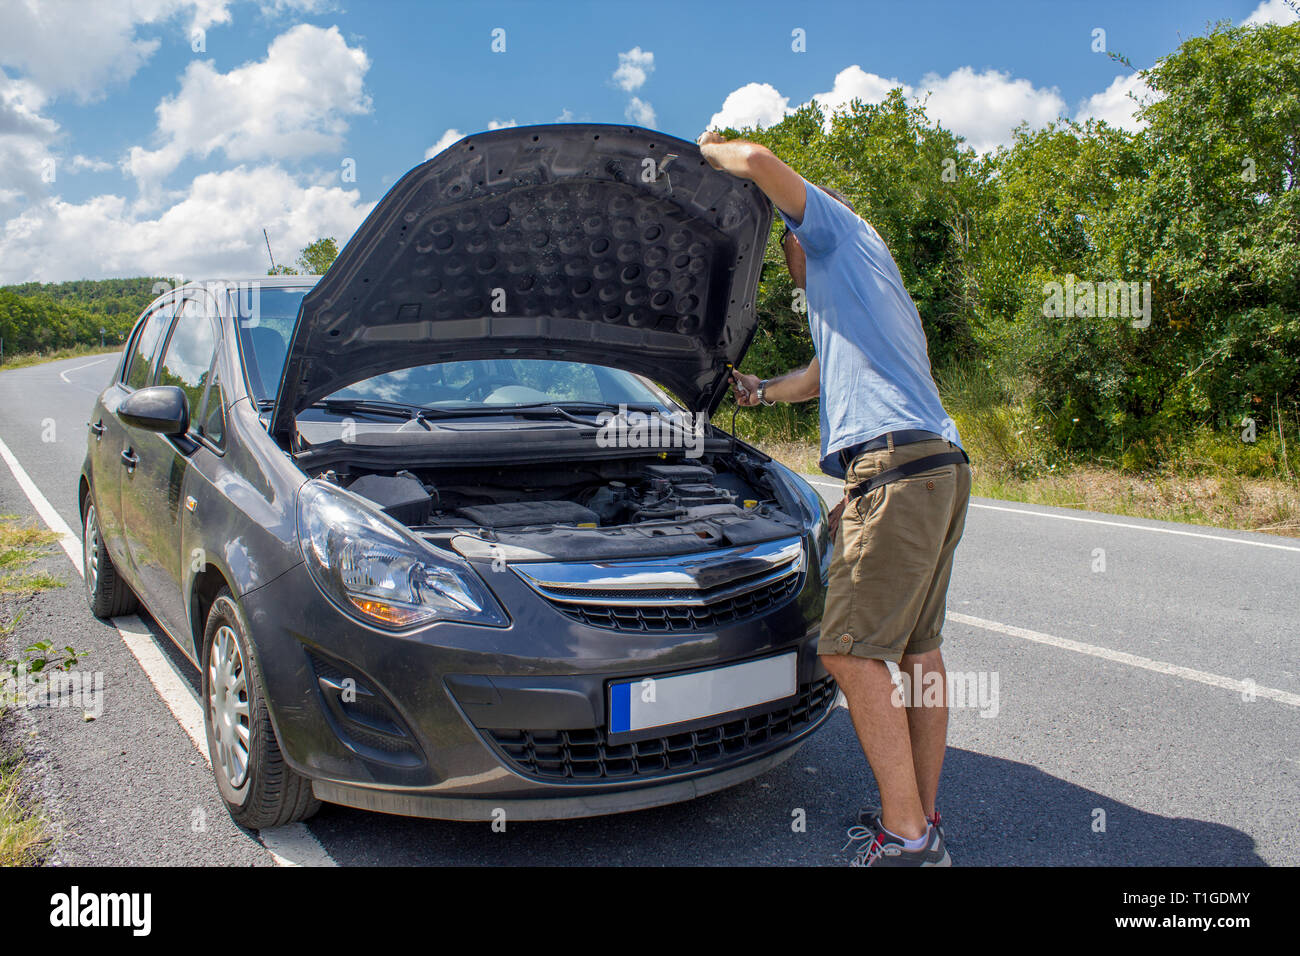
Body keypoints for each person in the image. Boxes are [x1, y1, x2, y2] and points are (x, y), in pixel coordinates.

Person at [698, 130, 971, 867]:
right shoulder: (859, 290)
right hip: (934, 465)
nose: (782, 258)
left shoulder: (835, 235)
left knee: (849, 654)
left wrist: (709, 149)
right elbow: (819, 377)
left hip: (899, 469)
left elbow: (757, 164)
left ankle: (908, 840)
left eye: (783, 241)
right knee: (917, 651)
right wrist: (758, 393)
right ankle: (919, 813)